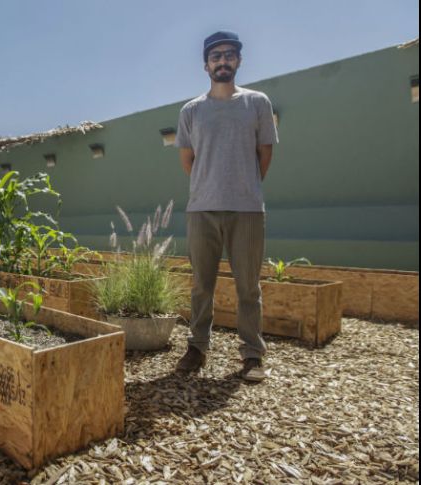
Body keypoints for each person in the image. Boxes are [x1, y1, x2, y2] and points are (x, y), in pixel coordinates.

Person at [173, 31, 279, 382]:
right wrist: (212, 186)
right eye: (216, 56)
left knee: (248, 286)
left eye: (229, 54)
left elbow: (265, 153)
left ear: (238, 61)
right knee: (202, 284)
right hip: (201, 209)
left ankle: (252, 354)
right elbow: (188, 160)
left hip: (247, 209)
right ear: (206, 65)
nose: (222, 61)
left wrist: (244, 186)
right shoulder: (191, 110)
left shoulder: (257, 103)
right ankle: (198, 347)